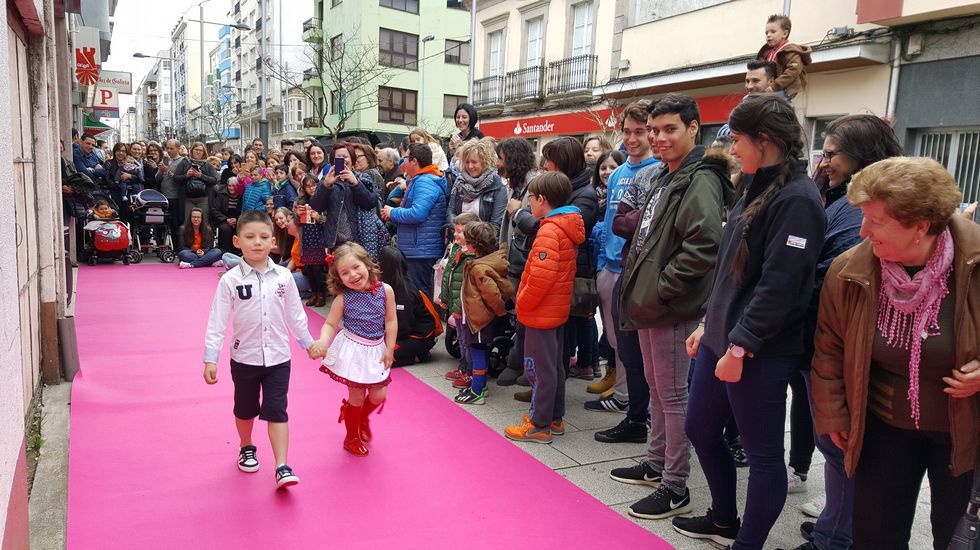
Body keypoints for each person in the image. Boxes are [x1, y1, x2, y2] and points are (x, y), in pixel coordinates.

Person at [675, 94, 825, 549]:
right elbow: (731, 271)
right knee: (700, 427)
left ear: (765, 140)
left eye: (738, 139)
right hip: (725, 338)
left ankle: (748, 543)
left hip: (759, 350)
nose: (732, 148)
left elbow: (780, 285)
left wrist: (740, 345)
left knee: (762, 456)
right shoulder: (757, 184)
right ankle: (724, 518)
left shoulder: (798, 198)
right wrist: (708, 323)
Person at [811, 157, 979, 550]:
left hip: (966, 430)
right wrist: (834, 411)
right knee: (875, 536)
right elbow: (829, 348)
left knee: (959, 539)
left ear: (920, 225)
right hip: (884, 428)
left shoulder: (973, 263)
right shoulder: (849, 270)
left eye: (875, 219)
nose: (863, 230)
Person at [613, 94, 735, 520]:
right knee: (659, 389)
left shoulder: (698, 177)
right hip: (654, 304)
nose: (659, 138)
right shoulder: (671, 174)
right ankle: (656, 463)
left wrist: (662, 289)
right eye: (654, 130)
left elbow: (705, 244)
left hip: (672, 308)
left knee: (673, 395)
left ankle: (674, 485)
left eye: (669, 129)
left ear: (693, 128)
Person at [202, 209, 315, 489]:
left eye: (264, 237)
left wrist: (308, 343)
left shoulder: (283, 277)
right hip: (245, 357)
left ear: (273, 241)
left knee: (277, 409)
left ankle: (282, 465)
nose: (257, 242)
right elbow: (217, 320)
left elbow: (295, 314)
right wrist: (210, 358)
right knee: (245, 408)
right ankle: (246, 445)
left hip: (279, 357)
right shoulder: (230, 280)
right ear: (237, 241)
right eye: (250, 237)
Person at [503, 171, 585, 443]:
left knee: (538, 370)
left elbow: (540, 277)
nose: (529, 205)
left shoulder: (550, 229)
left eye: (531, 200)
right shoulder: (563, 225)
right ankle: (553, 418)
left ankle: (539, 425)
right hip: (554, 310)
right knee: (553, 367)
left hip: (541, 312)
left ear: (542, 199)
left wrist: (522, 303)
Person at [591, 102, 659, 418]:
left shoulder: (658, 170)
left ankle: (637, 403)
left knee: (636, 345)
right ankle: (622, 395)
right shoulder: (617, 172)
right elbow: (609, 220)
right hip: (609, 265)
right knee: (616, 339)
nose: (632, 139)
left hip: (636, 271)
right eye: (627, 132)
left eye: (639, 132)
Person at [309, 242, 397, 457]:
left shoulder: (385, 291)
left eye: (356, 267)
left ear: (367, 264)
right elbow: (330, 324)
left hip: (376, 348)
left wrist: (389, 348)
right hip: (353, 350)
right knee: (356, 397)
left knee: (378, 395)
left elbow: (391, 320)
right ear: (339, 278)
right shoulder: (343, 298)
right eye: (345, 273)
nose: (353, 275)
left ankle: (359, 416)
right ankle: (351, 437)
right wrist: (322, 341)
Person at [453, 221, 516, 405]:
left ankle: (478, 390)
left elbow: (492, 294)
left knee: (478, 352)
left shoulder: (479, 268)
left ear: (473, 244)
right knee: (477, 351)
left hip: (479, 320)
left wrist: (499, 312)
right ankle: (479, 386)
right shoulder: (481, 263)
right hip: (475, 318)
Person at [495, 137, 541, 386]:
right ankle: (519, 364)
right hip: (515, 258)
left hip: (528, 260)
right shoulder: (515, 185)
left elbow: (534, 224)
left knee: (525, 318)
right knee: (519, 315)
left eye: (501, 158)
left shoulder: (534, 184)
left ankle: (523, 366)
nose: (497, 163)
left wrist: (516, 211)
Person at [380, 143, 448, 297]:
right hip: (418, 248)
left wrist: (393, 212)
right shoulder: (421, 179)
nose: (402, 163)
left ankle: (425, 322)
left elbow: (418, 214)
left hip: (421, 250)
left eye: (405, 158)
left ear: (414, 161)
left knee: (420, 295)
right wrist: (393, 215)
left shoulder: (425, 181)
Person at [306, 141, 384, 257]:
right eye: (338, 157)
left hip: (359, 240)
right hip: (336, 242)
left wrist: (355, 183)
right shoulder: (326, 180)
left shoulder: (363, 178)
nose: (342, 160)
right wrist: (326, 185)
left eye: (345, 157)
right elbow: (316, 206)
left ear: (352, 160)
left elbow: (370, 203)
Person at [378, 246, 440, 367]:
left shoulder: (405, 292)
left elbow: (405, 327)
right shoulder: (390, 284)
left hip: (418, 336)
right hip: (402, 331)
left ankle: (418, 355)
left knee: (380, 357)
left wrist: (385, 339)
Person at [440, 212, 481, 386]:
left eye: (460, 231)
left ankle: (469, 371)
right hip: (455, 302)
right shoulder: (457, 248)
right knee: (461, 338)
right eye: (455, 230)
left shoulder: (472, 256)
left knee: (466, 340)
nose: (455, 234)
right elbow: (448, 273)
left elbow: (466, 286)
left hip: (463, 306)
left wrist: (456, 308)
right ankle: (463, 367)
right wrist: (444, 296)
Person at [446, 138, 508, 233]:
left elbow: (496, 224)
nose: (470, 166)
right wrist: (458, 231)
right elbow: (451, 211)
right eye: (467, 162)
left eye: (474, 162)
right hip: (459, 240)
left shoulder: (497, 186)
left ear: (485, 162)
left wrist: (471, 236)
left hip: (483, 243)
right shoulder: (459, 182)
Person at [757, 14, 811, 99]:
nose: (768, 35)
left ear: (785, 34)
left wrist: (773, 86)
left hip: (785, 89)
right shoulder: (769, 53)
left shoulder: (791, 51)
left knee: (759, 101)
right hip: (773, 88)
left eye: (773, 32)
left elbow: (792, 71)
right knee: (749, 99)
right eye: (766, 32)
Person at [295, 174, 328, 307]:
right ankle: (314, 293)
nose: (311, 188)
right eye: (307, 186)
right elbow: (297, 221)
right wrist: (297, 215)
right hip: (307, 238)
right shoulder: (301, 201)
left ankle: (321, 294)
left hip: (319, 239)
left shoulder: (324, 200)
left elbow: (331, 221)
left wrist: (319, 217)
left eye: (313, 185)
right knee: (310, 269)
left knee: (318, 269)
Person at [175, 142, 218, 223]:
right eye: (196, 150)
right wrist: (186, 175)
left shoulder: (207, 165)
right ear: (192, 151)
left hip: (203, 198)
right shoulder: (184, 162)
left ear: (203, 152)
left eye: (200, 150)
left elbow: (214, 180)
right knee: (188, 223)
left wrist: (201, 176)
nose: (198, 152)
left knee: (204, 222)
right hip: (188, 198)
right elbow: (176, 178)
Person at [157, 139, 185, 241]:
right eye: (167, 148)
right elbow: (158, 178)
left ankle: (177, 246)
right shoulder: (165, 160)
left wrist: (168, 171)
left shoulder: (182, 161)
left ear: (178, 149)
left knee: (175, 223)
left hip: (175, 196)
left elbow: (180, 179)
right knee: (161, 222)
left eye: (171, 148)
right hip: (163, 196)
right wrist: (161, 171)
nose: (169, 151)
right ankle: (162, 244)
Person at [593, 150, 626, 217]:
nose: (608, 172)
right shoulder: (592, 195)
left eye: (613, 168)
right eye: (603, 168)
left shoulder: (628, 196)